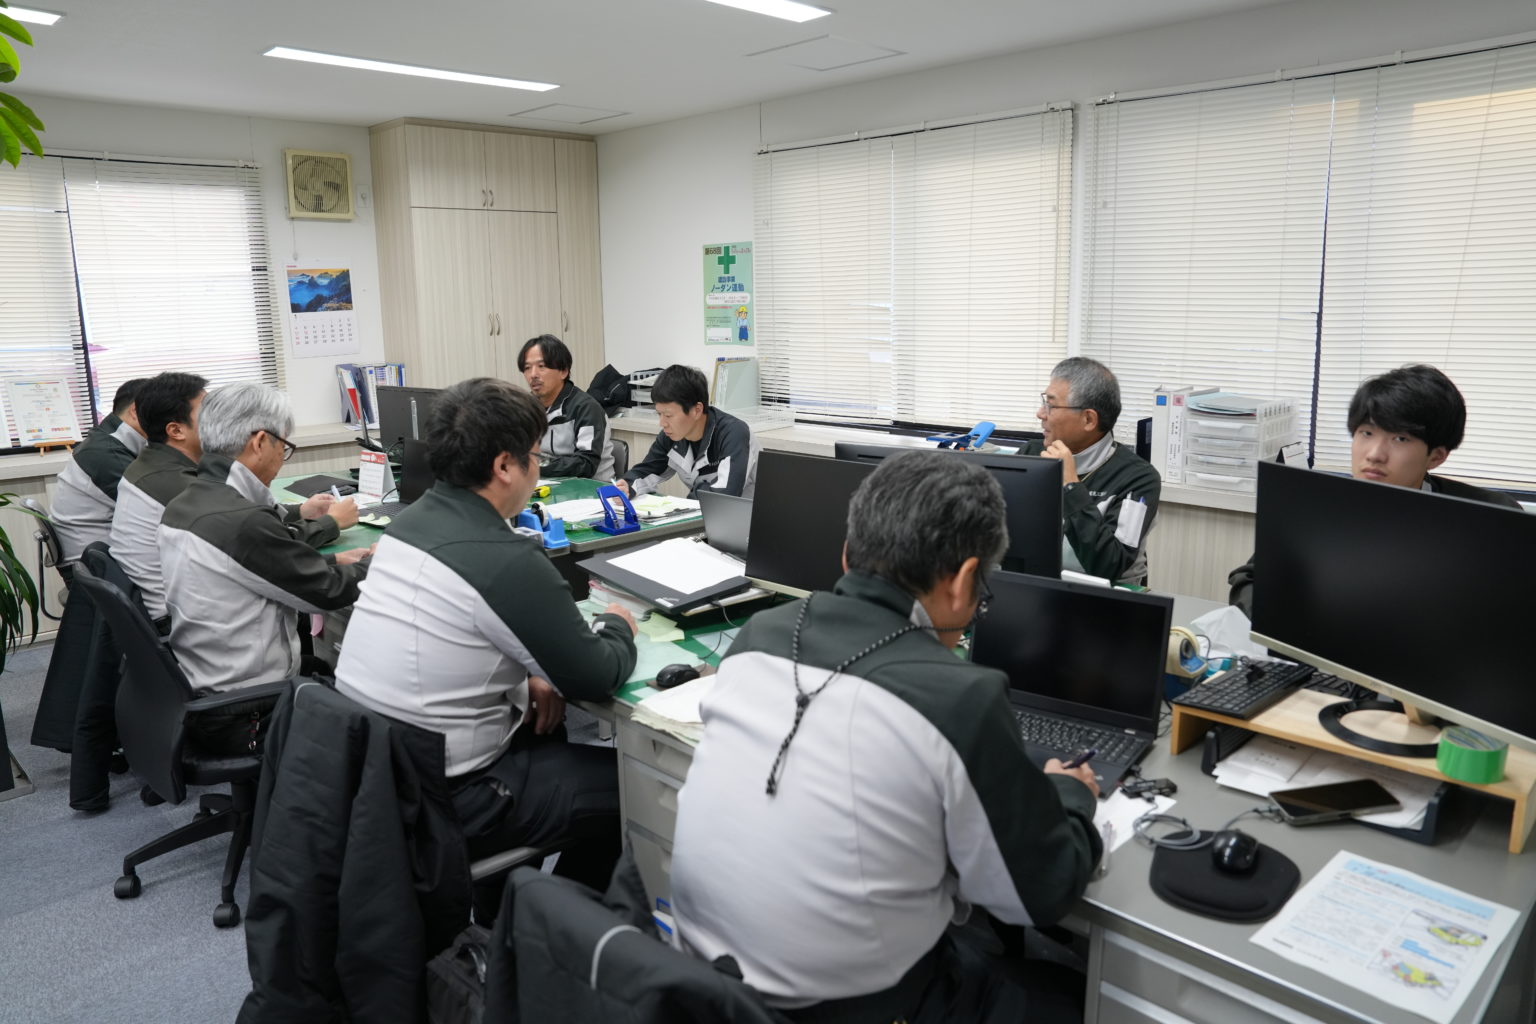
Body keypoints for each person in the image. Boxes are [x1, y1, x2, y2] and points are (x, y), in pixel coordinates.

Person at [670, 450, 1103, 1021]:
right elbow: (1039, 894)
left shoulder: (758, 635)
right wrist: (1071, 793)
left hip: (701, 982)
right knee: (1076, 997)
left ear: (847, 553)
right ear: (964, 582)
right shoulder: (959, 696)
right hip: (845, 1009)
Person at [335, 377, 638, 896]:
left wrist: (526, 677)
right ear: (503, 466)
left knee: (547, 730)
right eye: (535, 457)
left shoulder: (406, 525)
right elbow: (597, 676)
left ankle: (504, 910)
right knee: (629, 790)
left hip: (377, 776)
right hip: (447, 795)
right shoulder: (505, 559)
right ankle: (544, 922)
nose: (538, 469)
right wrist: (617, 625)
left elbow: (450, 638)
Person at [159, 383, 371, 754]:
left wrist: (335, 559)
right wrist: (383, 562)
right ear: (259, 442)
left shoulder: (189, 500)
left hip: (203, 681)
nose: (281, 457)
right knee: (378, 720)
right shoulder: (240, 518)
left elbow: (251, 569)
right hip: (249, 710)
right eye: (283, 446)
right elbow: (327, 592)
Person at [1229, 364, 1524, 616]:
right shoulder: (1315, 506)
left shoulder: (1491, 516)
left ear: (1436, 456)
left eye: (1400, 439)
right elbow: (1249, 580)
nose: (1374, 454)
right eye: (1366, 433)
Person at [111, 372, 359, 627]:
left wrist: (311, 529)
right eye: (207, 412)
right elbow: (321, 587)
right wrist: (337, 530)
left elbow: (257, 553)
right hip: (180, 622)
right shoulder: (187, 490)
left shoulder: (173, 476)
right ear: (260, 443)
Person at [1022, 356, 1161, 585]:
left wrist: (1070, 486)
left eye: (1051, 405)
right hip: (1036, 587)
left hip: (1104, 596)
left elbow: (1110, 564)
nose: (1040, 413)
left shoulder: (1139, 478)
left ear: (1088, 419)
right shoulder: (1031, 453)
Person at [50, 378, 149, 570]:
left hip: (95, 558)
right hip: (96, 569)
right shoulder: (106, 453)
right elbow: (158, 506)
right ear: (136, 411)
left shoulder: (106, 439)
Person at [616, 364, 753, 498]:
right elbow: (647, 470)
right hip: (702, 509)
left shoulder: (733, 433)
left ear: (697, 410)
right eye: (659, 414)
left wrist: (693, 496)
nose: (662, 423)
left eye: (668, 415)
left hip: (746, 511)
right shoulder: (670, 436)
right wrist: (627, 486)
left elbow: (725, 494)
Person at [518, 333, 615, 479]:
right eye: (527, 368)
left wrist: (535, 466)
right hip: (545, 484)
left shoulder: (586, 408)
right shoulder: (525, 407)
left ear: (563, 371)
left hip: (590, 488)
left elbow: (586, 464)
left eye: (541, 366)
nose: (533, 375)